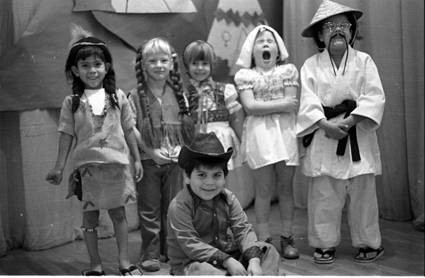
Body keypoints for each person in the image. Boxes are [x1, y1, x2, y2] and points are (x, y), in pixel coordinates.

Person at [45, 25, 143, 275]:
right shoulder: (72, 103)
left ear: (107, 67)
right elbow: (66, 134)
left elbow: (129, 129)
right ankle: (95, 266)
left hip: (117, 166)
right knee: (89, 220)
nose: (92, 70)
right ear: (75, 70)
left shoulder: (118, 97)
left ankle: (123, 263)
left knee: (118, 215)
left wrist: (138, 158)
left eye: (97, 64)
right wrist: (58, 166)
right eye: (85, 65)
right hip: (88, 170)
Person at [297, 0, 386, 264]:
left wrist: (349, 123)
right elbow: (308, 102)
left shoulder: (364, 61)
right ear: (320, 36)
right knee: (324, 195)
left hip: (357, 133)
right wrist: (325, 125)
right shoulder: (311, 65)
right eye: (330, 27)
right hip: (325, 136)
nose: (337, 31)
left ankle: (368, 243)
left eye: (343, 26)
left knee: (364, 196)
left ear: (352, 31)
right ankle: (324, 244)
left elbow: (375, 97)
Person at [167, 132, 280, 275]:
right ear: (187, 177)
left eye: (217, 175)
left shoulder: (228, 198)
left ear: (224, 177)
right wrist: (227, 261)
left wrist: (254, 261)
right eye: (202, 175)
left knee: (268, 250)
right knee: (204, 271)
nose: (209, 183)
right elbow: (192, 244)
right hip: (191, 263)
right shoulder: (179, 206)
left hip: (226, 257)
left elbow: (243, 230)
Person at [234, 25, 300, 259]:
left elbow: (293, 102)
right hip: (259, 135)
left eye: (269, 41)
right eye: (259, 41)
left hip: (285, 134)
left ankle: (287, 237)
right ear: (251, 51)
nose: (264, 44)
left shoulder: (289, 71)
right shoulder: (245, 76)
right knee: (263, 190)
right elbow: (250, 106)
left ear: (278, 48)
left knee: (285, 188)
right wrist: (281, 104)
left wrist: (271, 106)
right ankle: (264, 241)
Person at [127, 37, 193, 272]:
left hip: (175, 163)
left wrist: (181, 150)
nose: (158, 65)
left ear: (172, 63)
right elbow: (130, 128)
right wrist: (150, 152)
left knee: (173, 207)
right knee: (149, 209)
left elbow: (186, 127)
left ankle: (170, 250)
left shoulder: (178, 93)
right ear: (143, 65)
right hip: (149, 162)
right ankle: (151, 253)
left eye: (164, 60)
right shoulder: (134, 96)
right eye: (152, 60)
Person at [182, 40, 252, 206]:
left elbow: (236, 117)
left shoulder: (224, 90)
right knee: (200, 179)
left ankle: (227, 214)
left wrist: (243, 143)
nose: (200, 68)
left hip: (222, 139)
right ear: (187, 65)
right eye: (195, 63)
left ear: (212, 65)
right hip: (198, 141)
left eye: (204, 63)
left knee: (224, 178)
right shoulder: (185, 94)